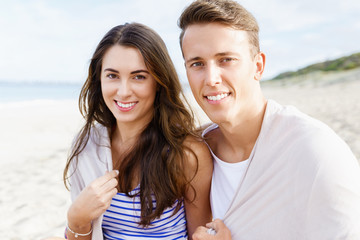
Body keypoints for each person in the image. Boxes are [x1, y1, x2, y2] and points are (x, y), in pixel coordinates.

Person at [178, 0, 360, 239]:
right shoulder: (193, 152)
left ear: (258, 65)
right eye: (197, 63)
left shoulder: (315, 152)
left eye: (226, 60)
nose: (211, 78)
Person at [62, 22, 212, 240]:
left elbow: (200, 235)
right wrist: (77, 219)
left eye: (139, 76)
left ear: (159, 82)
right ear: (99, 79)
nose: (123, 92)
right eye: (112, 76)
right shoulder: (87, 145)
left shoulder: (187, 153)